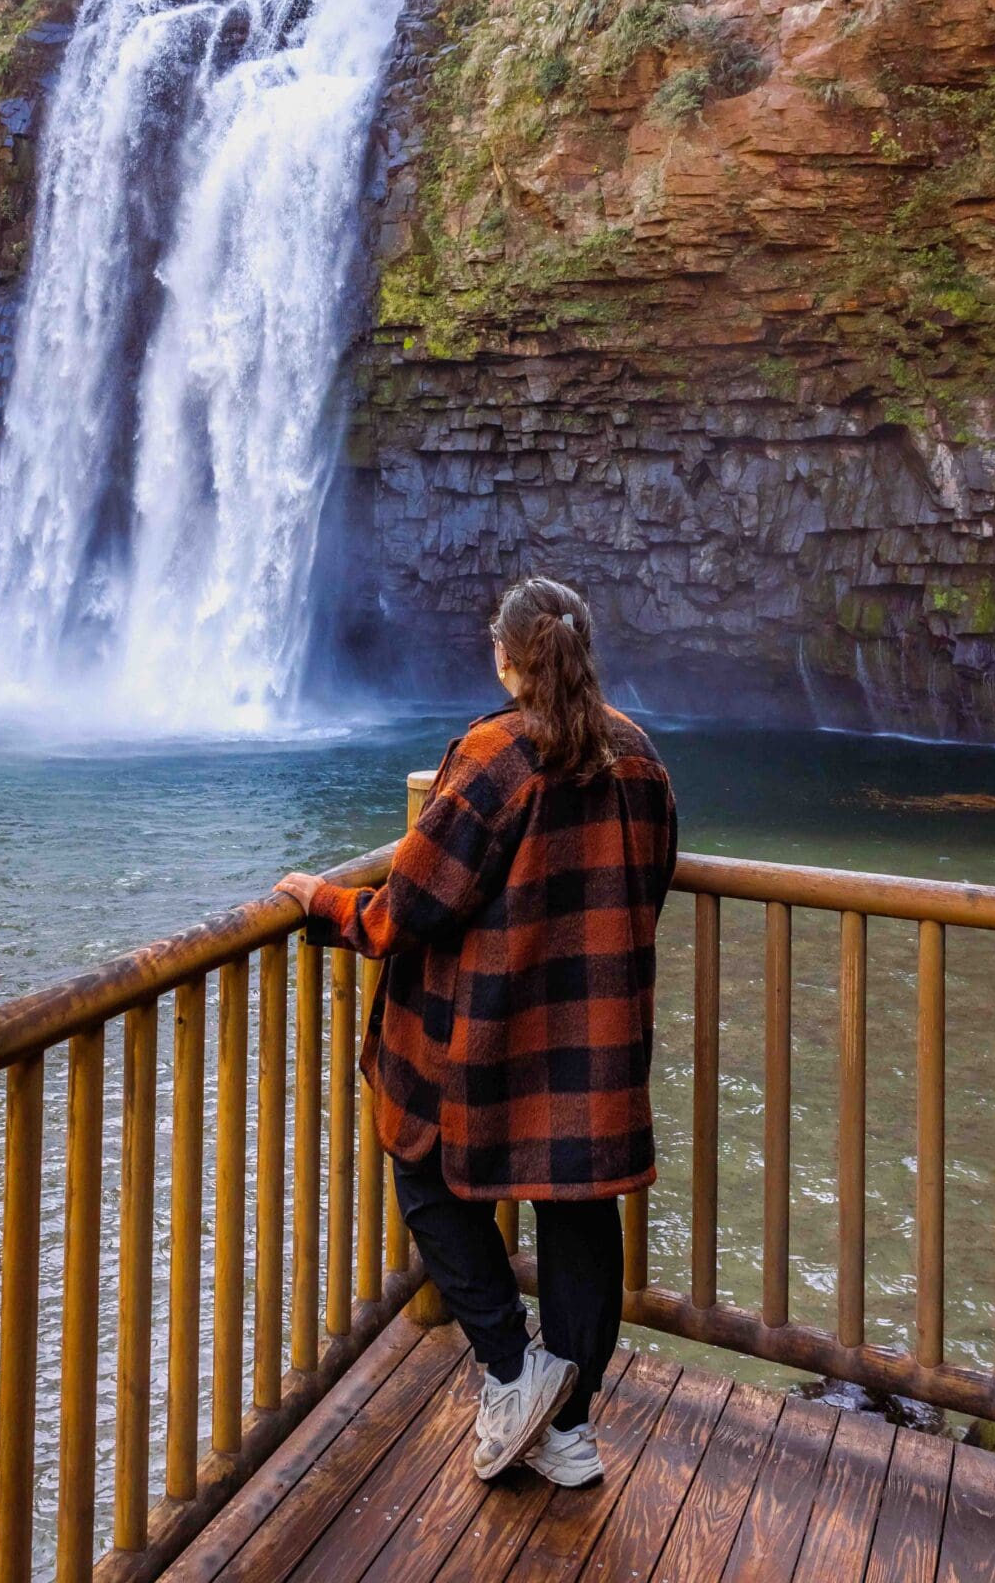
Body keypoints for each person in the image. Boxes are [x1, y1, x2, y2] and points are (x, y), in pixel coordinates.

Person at [277, 574, 678, 1489]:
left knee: (422, 1170)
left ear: (505, 656)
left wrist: (321, 899)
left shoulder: (495, 756)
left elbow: (405, 910)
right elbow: (647, 885)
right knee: (580, 1218)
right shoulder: (641, 758)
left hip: (490, 1042)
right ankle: (568, 1433)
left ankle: (513, 1370)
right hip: (593, 1044)